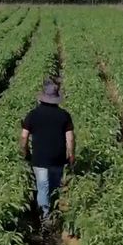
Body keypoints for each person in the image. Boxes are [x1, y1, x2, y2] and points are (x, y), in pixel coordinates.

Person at [20, 79, 75, 222]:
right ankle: (55, 211)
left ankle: (45, 217)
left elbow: (24, 136)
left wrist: (25, 151)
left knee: (43, 186)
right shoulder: (64, 115)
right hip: (58, 157)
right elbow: (70, 139)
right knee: (55, 185)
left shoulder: (32, 114)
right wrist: (71, 155)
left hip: (39, 158)